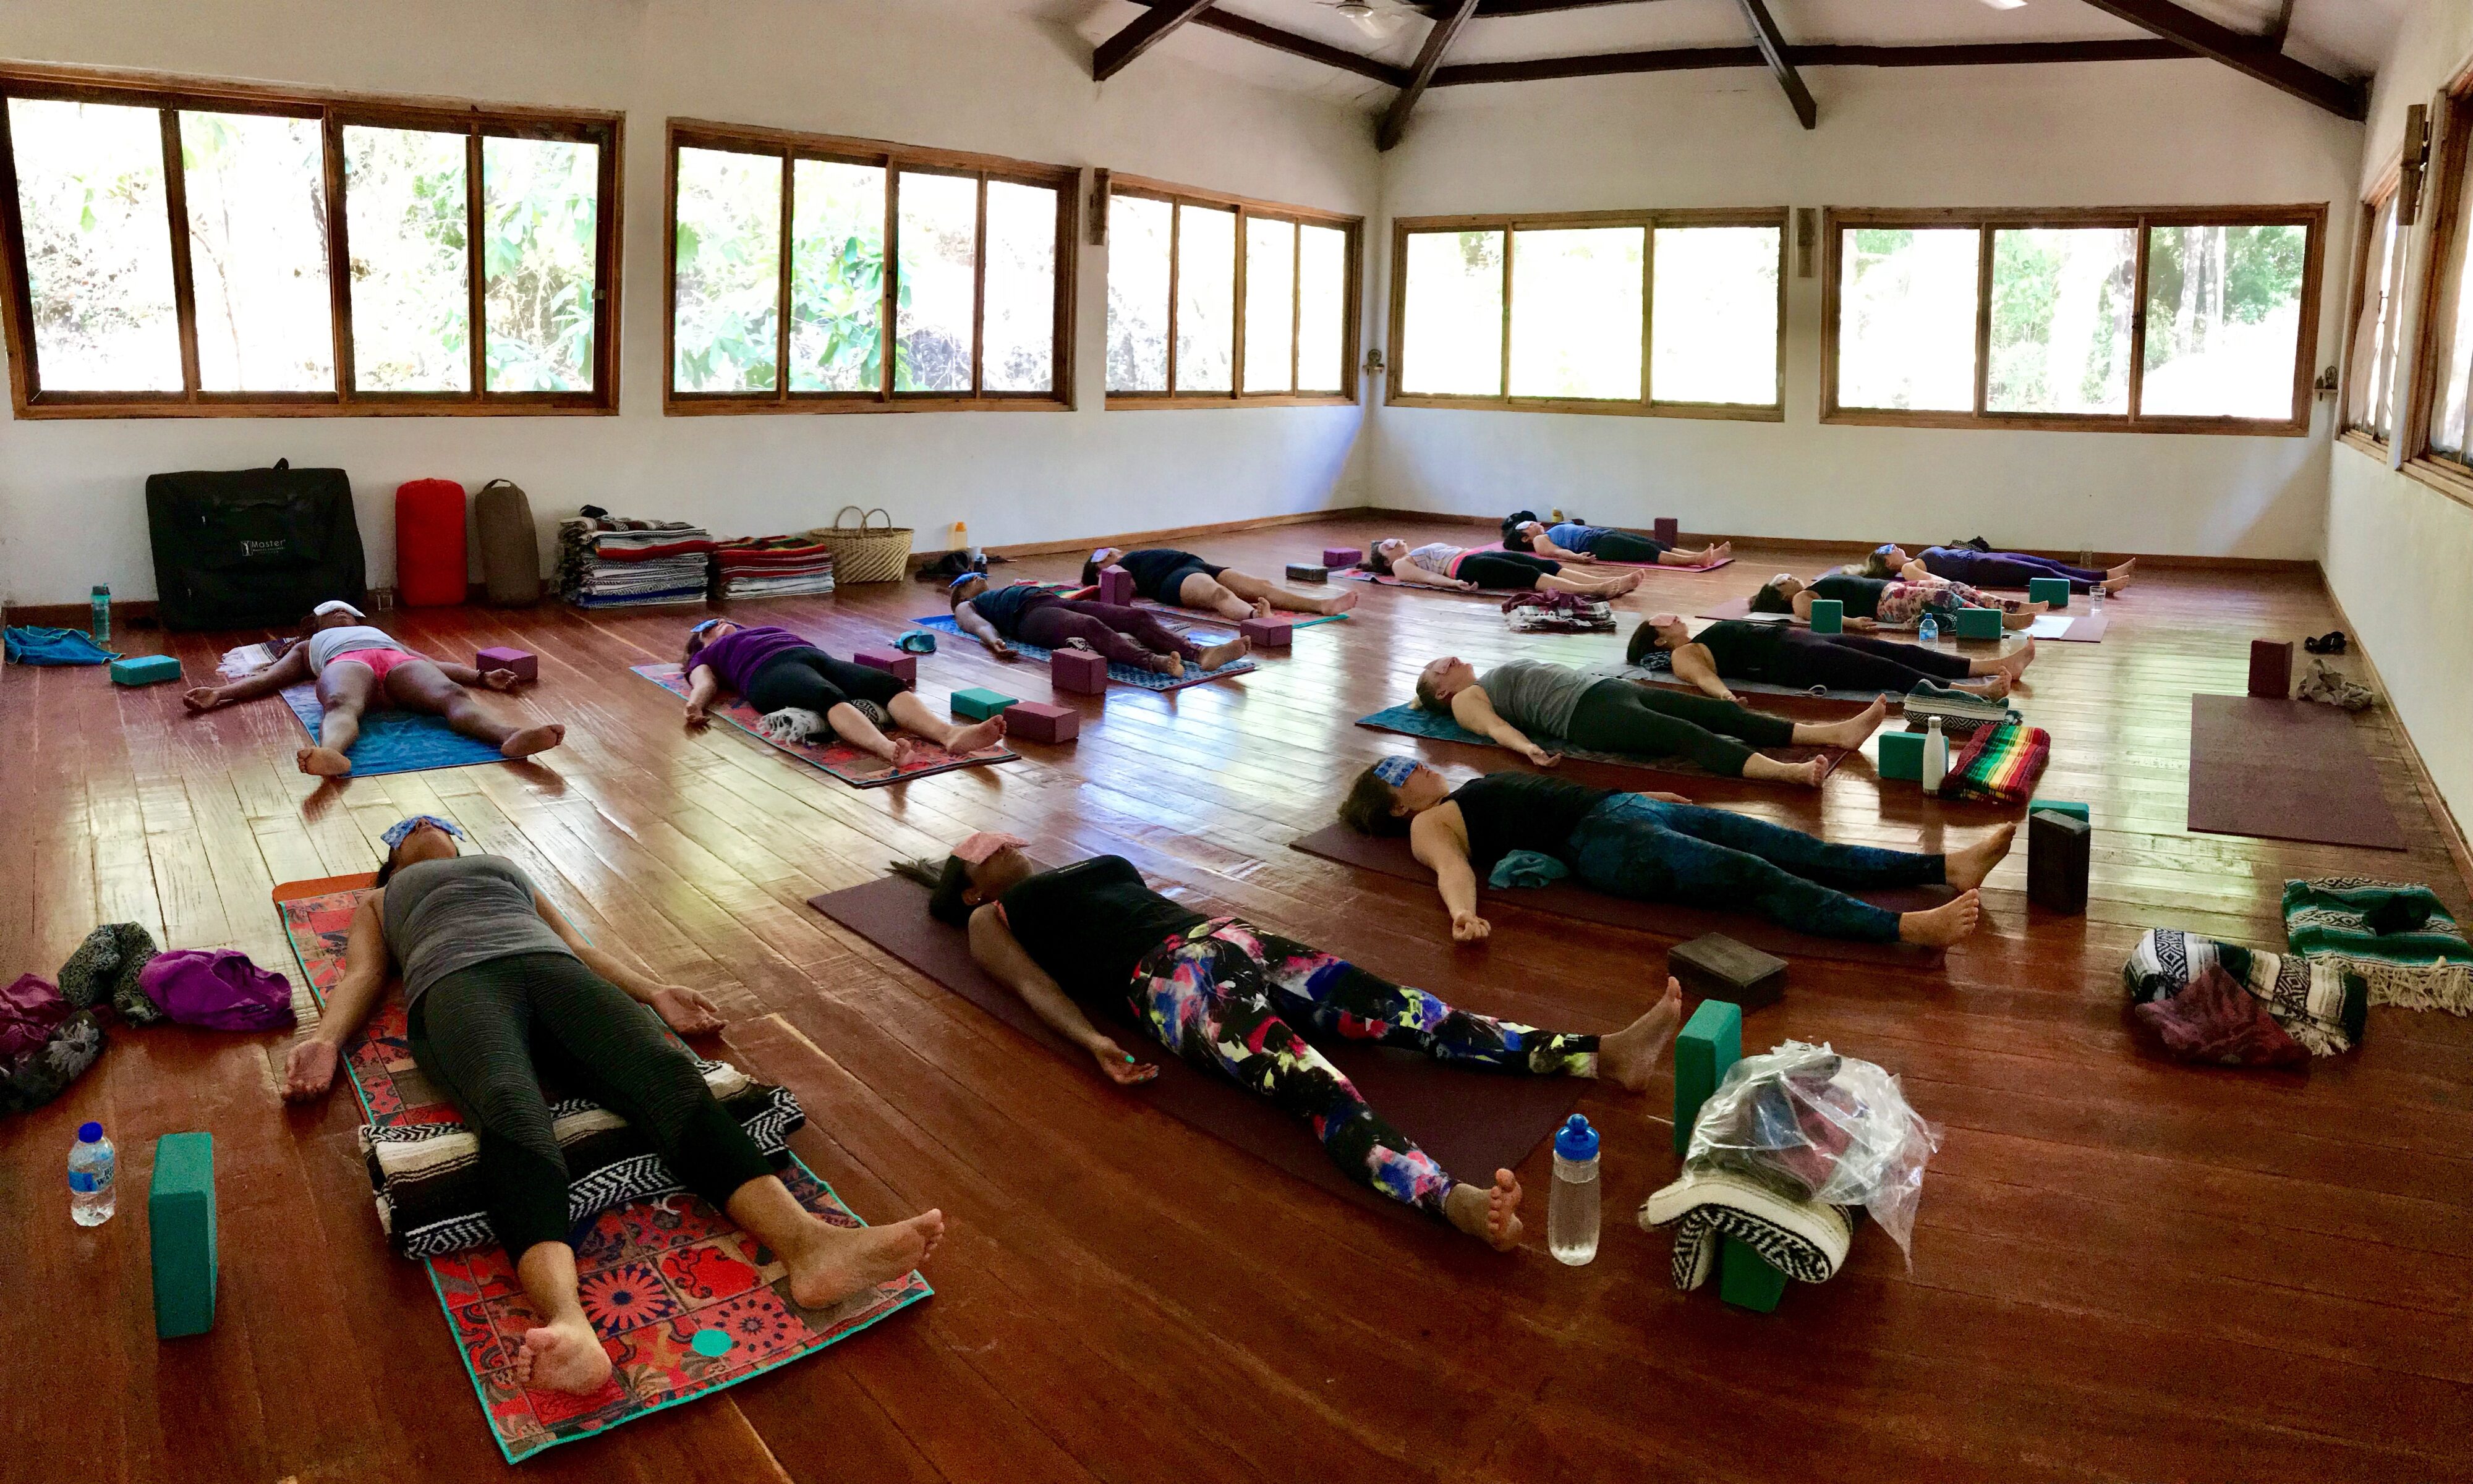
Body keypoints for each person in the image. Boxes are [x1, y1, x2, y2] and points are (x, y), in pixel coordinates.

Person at [281, 815, 946, 1394]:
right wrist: (325, 1041)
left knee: (666, 1073)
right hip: (457, 983)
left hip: (554, 969)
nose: (424, 826)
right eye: (406, 827)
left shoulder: (503, 867)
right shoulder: (380, 899)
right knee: (511, 1108)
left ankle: (812, 1246)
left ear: (460, 841)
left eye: (436, 821)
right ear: (392, 857)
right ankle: (568, 1321)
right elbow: (364, 974)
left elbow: (577, 945)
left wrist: (654, 991)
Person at [895, 832, 1683, 1252]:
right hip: (1171, 987)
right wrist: (1091, 1039)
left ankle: (1600, 1052)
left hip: (1229, 938)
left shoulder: (1079, 867)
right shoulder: (988, 917)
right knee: (1314, 1086)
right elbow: (1031, 986)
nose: (997, 843)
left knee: (1414, 1013)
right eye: (980, 852)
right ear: (971, 889)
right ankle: (1450, 1199)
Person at [1337, 761, 2004, 949]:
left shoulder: (1465, 789)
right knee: (1754, 874)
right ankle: (1902, 928)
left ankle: (1945, 868)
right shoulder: (1428, 824)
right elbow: (1453, 869)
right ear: (1395, 807)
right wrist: (1461, 913)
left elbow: (1560, 792)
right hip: (1606, 845)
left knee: (1791, 843)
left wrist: (1637, 794)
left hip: (1624, 809)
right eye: (1398, 774)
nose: (1412, 767)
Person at [182, 601, 564, 777]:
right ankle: (331, 754)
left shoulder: (382, 634)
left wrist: (480, 677)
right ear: (316, 625)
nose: (341, 613)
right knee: (340, 703)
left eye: (346, 611)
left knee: (452, 696)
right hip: (349, 665)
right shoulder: (308, 646)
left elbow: (430, 662)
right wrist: (220, 693)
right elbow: (270, 678)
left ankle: (508, 736)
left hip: (397, 663)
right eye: (331, 613)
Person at [1407, 655, 1887, 788]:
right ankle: (1787, 773)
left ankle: (1835, 733)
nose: (1444, 661)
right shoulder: (1464, 700)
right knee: (1687, 735)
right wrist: (1526, 748)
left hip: (1607, 690)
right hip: (1586, 716)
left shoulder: (1481, 678)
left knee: (1719, 712)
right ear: (1442, 693)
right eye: (1436, 670)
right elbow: (1494, 728)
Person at [679, 619, 1007, 766]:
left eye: (721, 620)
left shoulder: (760, 631)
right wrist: (695, 706)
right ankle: (886, 748)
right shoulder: (706, 655)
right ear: (702, 643)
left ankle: (950, 735)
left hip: (816, 657)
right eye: (708, 627)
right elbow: (704, 682)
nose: (719, 623)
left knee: (886, 683)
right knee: (826, 695)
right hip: (767, 672)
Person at [1628, 614, 2032, 700]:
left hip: (1800, 641)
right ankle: (1969, 692)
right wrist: (1726, 697)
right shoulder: (1683, 654)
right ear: (1659, 641)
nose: (1672, 617)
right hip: (1793, 661)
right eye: (1661, 622)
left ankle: (1992, 667)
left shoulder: (1698, 637)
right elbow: (1703, 678)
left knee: (1899, 650)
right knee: (1887, 670)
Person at [950, 574, 1249, 677]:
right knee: (1089, 626)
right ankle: (1154, 662)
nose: (976, 577)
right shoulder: (965, 606)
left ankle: (1200, 654)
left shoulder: (1002, 590)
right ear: (961, 595)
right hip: (1028, 619)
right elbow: (977, 625)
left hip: (1052, 602)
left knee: (1137, 617)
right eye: (967, 580)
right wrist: (993, 641)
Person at [1083, 546, 1356, 621]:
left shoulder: (1130, 556)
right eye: (1103, 556)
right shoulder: (1114, 570)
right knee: (1218, 594)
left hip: (1196, 564)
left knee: (1262, 587)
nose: (1111, 553)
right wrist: (1107, 573)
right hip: (1171, 579)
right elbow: (1122, 588)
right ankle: (1255, 617)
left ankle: (1322, 605)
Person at [1749, 572, 2040, 632]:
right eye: (1782, 580)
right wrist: (1851, 622)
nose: (1789, 577)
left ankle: (2014, 607)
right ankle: (2002, 620)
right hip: (1885, 602)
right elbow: (1816, 615)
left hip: (1892, 589)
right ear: (1782, 594)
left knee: (1954, 586)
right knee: (1945, 598)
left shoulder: (1812, 586)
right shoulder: (1800, 599)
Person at [1363, 538, 1643, 598]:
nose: (1394, 541)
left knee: (1543, 563)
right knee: (1528, 575)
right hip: (1465, 568)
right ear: (1385, 561)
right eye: (1387, 546)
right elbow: (1426, 577)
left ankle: (1600, 581)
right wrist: (1454, 584)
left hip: (1474, 556)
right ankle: (1596, 590)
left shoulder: (1414, 552)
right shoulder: (1400, 565)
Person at [1864, 543, 2133, 595]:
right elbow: (1935, 581)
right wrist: (1964, 590)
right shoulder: (1909, 569)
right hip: (1982, 568)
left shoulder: (1915, 558)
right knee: (2043, 574)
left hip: (1983, 558)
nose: (1893, 546)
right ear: (1888, 563)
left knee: (2048, 564)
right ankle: (2099, 587)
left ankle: (2104, 575)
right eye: (1888, 549)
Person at [1500, 512, 1730, 569]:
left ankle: (1701, 556)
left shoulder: (1553, 529)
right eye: (1527, 525)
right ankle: (1697, 560)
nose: (1534, 523)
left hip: (1603, 534)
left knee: (1657, 544)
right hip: (1598, 545)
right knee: (1648, 552)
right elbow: (1557, 553)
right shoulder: (1540, 541)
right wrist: (1578, 558)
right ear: (1525, 538)